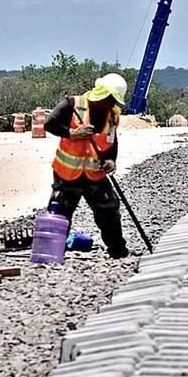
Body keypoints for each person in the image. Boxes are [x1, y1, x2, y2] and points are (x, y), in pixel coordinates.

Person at [43, 73, 129, 259]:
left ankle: (118, 251)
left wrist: (111, 160)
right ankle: (50, 254)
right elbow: (49, 124)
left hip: (94, 174)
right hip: (67, 173)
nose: (111, 104)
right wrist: (71, 133)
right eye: (110, 99)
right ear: (102, 95)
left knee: (109, 212)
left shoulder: (113, 116)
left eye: (114, 101)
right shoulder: (72, 104)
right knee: (60, 213)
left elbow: (112, 141)